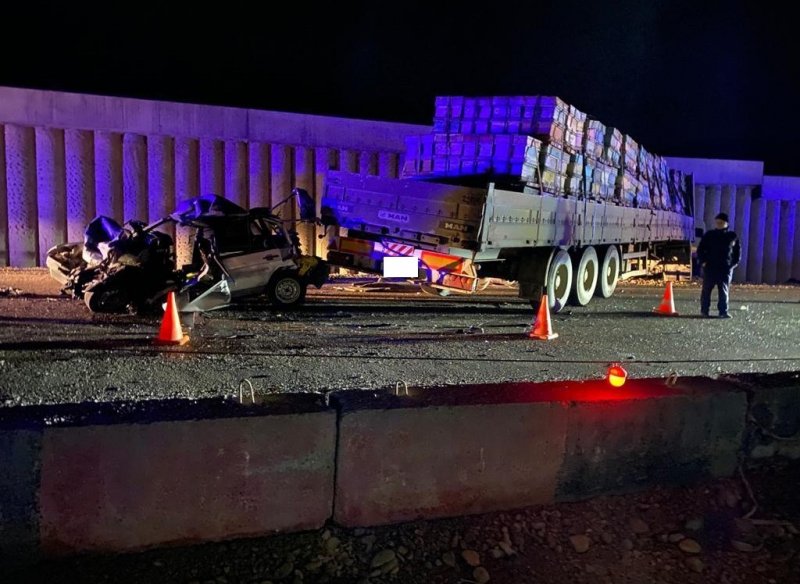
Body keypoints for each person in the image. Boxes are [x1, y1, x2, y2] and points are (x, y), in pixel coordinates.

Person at [697, 212, 741, 318]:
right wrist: (703, 262)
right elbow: (700, 249)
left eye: (721, 222)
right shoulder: (709, 235)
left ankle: (723, 311)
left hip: (725, 268)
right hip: (710, 267)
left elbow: (737, 253)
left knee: (724, 291)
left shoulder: (732, 236)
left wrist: (732, 265)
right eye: (717, 222)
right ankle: (704, 311)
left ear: (726, 223)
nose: (719, 224)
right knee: (706, 291)